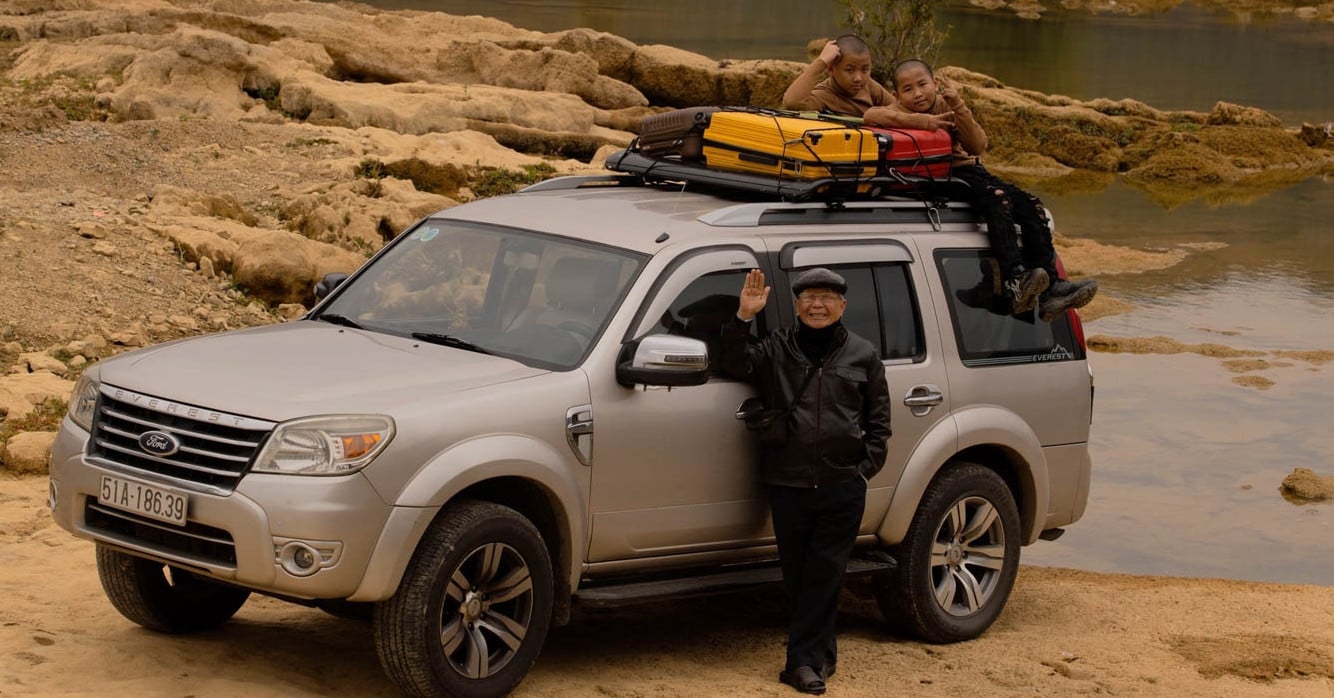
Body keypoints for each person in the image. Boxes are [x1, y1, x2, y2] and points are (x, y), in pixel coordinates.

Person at [783, 39, 1097, 321]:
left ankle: (1051, 288)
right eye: (849, 69)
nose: (858, 77)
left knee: (1030, 205)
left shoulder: (873, 90)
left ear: (934, 83)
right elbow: (799, 104)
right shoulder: (827, 94)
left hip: (955, 167)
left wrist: (956, 105)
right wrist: (822, 60)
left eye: (865, 69)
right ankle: (1015, 279)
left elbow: (976, 145)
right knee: (996, 196)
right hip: (919, 170)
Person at [720, 267, 892, 695]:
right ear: (797, 305)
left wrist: (862, 470)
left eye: (827, 298)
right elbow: (734, 362)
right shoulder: (777, 347)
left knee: (825, 573)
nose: (818, 305)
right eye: (809, 298)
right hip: (788, 482)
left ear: (842, 306)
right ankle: (821, 653)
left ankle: (802, 665)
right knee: (799, 575)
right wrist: (744, 316)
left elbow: (879, 422)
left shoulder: (863, 354)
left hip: (842, 485)